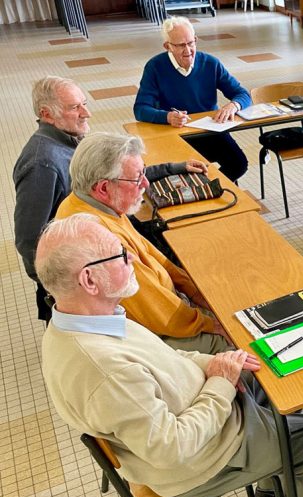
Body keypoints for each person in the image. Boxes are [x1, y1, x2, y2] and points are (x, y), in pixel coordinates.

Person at [36, 214, 303, 497]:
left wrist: (211, 364)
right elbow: (173, 448)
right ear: (90, 280)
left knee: (278, 378)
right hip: (200, 458)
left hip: (200, 410)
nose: (132, 260)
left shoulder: (86, 318)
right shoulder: (104, 369)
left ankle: (271, 490)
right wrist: (222, 383)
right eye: (120, 254)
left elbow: (165, 358)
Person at [12, 76, 206, 321]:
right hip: (90, 263)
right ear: (46, 114)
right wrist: (62, 295)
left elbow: (119, 173)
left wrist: (172, 167)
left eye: (84, 103)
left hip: (108, 231)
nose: (87, 113)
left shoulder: (70, 138)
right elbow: (28, 239)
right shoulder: (42, 162)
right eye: (75, 107)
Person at [55, 132, 229, 354]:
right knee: (234, 345)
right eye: (137, 178)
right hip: (152, 333)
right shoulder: (100, 239)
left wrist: (193, 291)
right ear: (104, 188)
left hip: (166, 310)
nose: (145, 184)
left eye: (144, 172)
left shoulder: (92, 203)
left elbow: (150, 252)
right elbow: (158, 312)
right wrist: (209, 322)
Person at [134, 16, 251, 183]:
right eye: (181, 45)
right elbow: (140, 109)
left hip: (209, 131)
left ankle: (207, 187)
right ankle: (202, 188)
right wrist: (166, 117)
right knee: (182, 174)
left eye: (191, 42)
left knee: (239, 164)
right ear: (168, 46)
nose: (188, 50)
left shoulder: (210, 63)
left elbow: (242, 94)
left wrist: (234, 105)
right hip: (175, 134)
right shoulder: (155, 67)